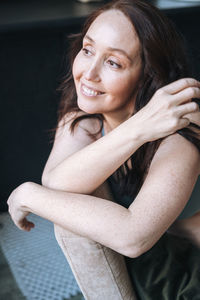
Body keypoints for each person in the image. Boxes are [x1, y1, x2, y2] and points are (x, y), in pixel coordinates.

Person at [7, 0, 200, 299]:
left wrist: (26, 195)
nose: (89, 73)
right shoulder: (85, 117)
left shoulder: (179, 140)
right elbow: (57, 182)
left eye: (114, 62)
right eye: (88, 49)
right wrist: (137, 128)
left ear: (148, 76)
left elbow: (133, 237)